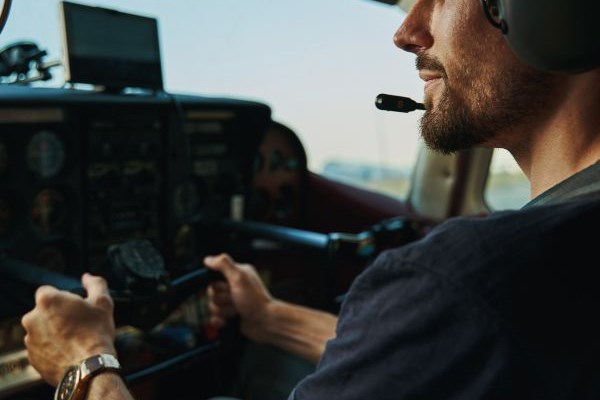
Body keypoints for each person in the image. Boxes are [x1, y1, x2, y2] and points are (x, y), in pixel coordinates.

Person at [21, 0, 600, 398]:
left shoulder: (468, 280)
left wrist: (86, 362)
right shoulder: (542, 264)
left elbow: (459, 321)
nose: (407, 30)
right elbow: (439, 352)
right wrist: (273, 318)